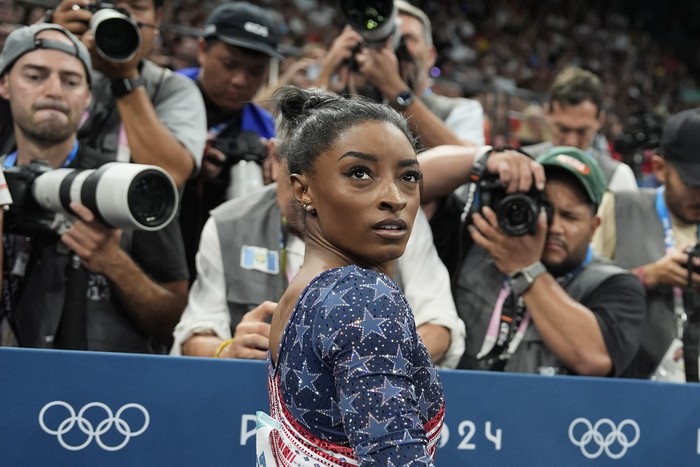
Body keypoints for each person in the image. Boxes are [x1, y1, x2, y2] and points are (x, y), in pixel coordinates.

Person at [256, 86, 444, 465]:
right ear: (303, 189)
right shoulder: (362, 296)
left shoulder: (304, 293)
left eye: (409, 176)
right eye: (360, 173)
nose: (395, 196)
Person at [171, 147, 465, 368]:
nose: (311, 194)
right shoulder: (229, 225)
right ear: (276, 160)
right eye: (300, 178)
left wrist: (372, 355)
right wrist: (229, 349)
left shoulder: (394, 223)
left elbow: (441, 328)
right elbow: (192, 338)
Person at [0, 23, 188, 352]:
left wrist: (113, 262)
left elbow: (176, 320)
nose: (54, 91)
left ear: (87, 96)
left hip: (105, 395)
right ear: (5, 84)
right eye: (34, 76)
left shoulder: (130, 185)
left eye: (70, 81)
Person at [421, 146, 645, 375]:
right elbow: (410, 183)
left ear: (593, 227)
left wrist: (526, 269)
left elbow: (594, 359)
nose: (555, 227)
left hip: (544, 410)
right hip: (455, 405)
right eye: (545, 209)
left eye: (570, 217)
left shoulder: (616, 285)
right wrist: (484, 158)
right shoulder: (479, 240)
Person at [43, 0, 207, 187]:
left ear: (157, 19)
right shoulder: (39, 67)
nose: (121, 17)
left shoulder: (173, 89)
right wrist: (49, 38)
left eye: (137, 7)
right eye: (110, 5)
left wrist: (126, 79)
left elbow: (171, 173)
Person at [176, 2, 283, 279]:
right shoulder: (163, 99)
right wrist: (180, 157)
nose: (239, 80)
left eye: (255, 71)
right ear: (202, 50)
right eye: (229, 64)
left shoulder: (268, 132)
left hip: (224, 265)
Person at [592, 108, 700, 382]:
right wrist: (648, 276)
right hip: (631, 389)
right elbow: (581, 292)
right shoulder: (619, 208)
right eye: (693, 184)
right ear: (661, 168)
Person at [524, 67, 638, 192]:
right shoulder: (522, 163)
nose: (571, 142)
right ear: (547, 114)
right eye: (563, 129)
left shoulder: (618, 178)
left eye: (582, 131)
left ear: (600, 121)